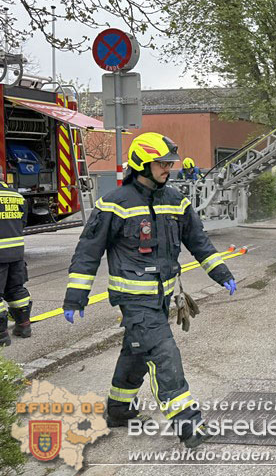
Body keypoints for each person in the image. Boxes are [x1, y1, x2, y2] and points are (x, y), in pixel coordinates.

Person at [62, 133, 237, 448]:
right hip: (133, 300)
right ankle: (188, 424)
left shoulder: (175, 200)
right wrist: (76, 296)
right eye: (162, 163)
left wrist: (221, 272)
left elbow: (198, 241)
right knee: (164, 354)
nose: (168, 168)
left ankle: (118, 409)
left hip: (162, 298)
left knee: (138, 351)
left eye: (169, 162)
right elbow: (88, 252)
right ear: (142, 163)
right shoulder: (114, 203)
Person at [0, 169, 30, 346]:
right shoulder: (17, 196)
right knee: (16, 290)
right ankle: (24, 326)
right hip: (16, 253)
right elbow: (23, 222)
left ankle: (2, 335)